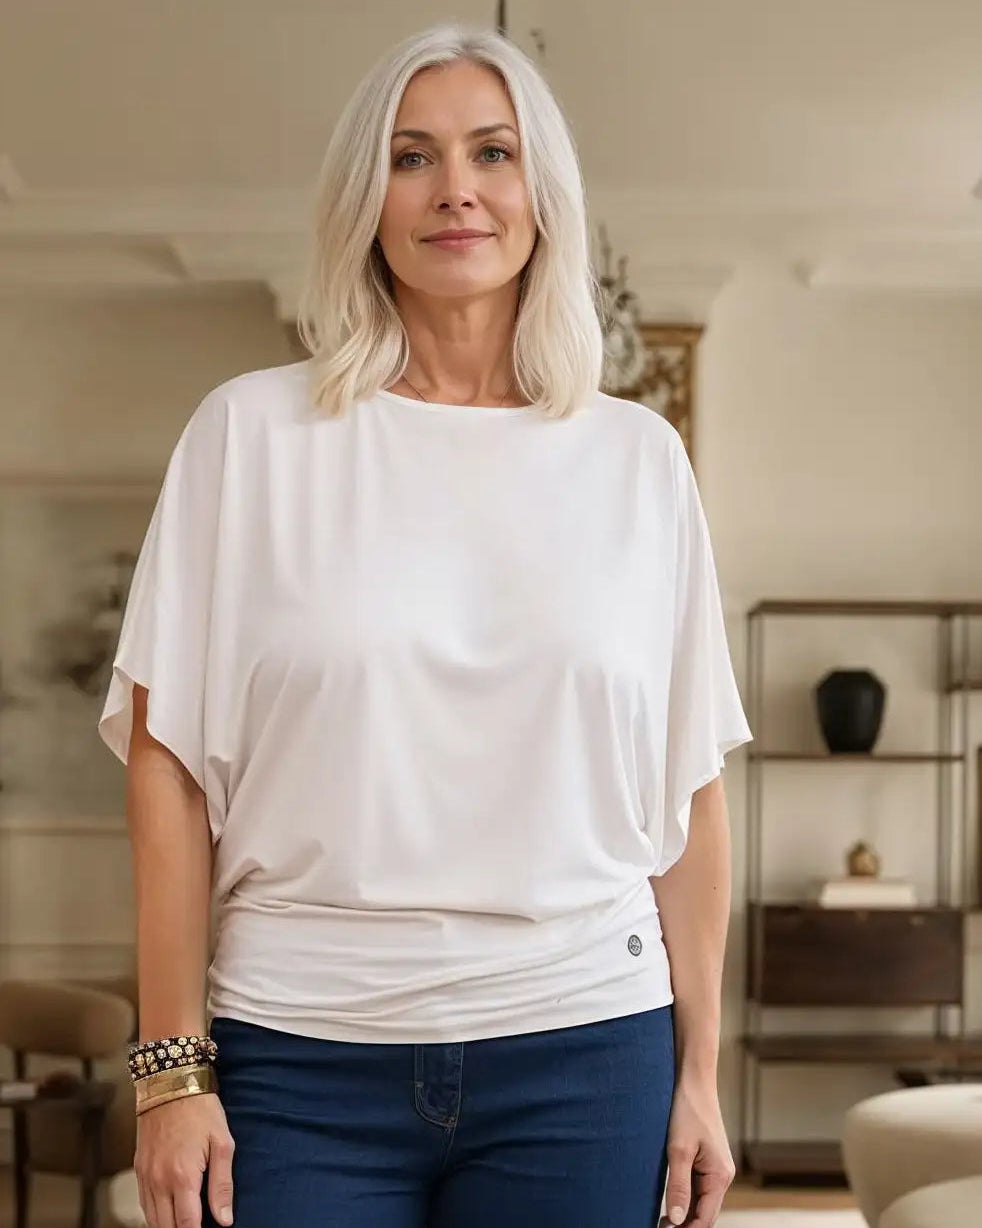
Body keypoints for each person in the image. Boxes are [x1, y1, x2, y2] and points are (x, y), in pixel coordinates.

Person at [98, 20, 752, 1228]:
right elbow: (167, 763)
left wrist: (701, 1074)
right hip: (297, 1053)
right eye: (411, 157)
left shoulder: (638, 461)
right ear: (366, 198)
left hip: (586, 1050)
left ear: (543, 195)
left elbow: (690, 792)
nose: (456, 188)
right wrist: (170, 1075)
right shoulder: (250, 436)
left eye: (493, 152)